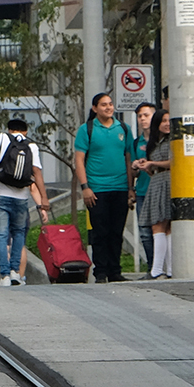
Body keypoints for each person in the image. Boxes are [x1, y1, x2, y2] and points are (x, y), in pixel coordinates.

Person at [0, 118, 50, 286]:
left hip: (1, 195)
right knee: (19, 234)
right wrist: (44, 198)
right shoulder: (31, 146)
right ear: (25, 131)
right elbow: (37, 173)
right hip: (21, 197)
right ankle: (15, 273)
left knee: (2, 235)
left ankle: (4, 276)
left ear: (9, 129)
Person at [73, 92, 135, 283]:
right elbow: (79, 160)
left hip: (120, 187)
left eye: (110, 104)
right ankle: (100, 272)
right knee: (100, 232)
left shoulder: (123, 128)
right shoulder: (87, 129)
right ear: (95, 109)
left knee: (117, 232)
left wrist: (130, 188)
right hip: (96, 189)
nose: (108, 107)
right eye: (103, 105)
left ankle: (115, 271)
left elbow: (128, 159)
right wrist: (85, 187)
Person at [136, 107, 174, 278]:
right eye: (163, 121)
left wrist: (153, 163)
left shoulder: (173, 141)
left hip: (168, 181)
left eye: (169, 121)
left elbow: (174, 162)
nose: (167, 124)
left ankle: (157, 269)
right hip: (157, 182)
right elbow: (154, 168)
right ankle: (167, 269)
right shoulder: (153, 143)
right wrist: (146, 165)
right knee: (163, 228)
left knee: (160, 226)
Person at [131, 103, 157, 277]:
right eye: (140, 116)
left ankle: (161, 267)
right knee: (145, 232)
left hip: (159, 190)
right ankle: (151, 267)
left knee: (161, 231)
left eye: (146, 115)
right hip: (142, 191)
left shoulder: (160, 139)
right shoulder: (136, 143)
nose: (142, 119)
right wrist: (134, 166)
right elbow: (132, 171)